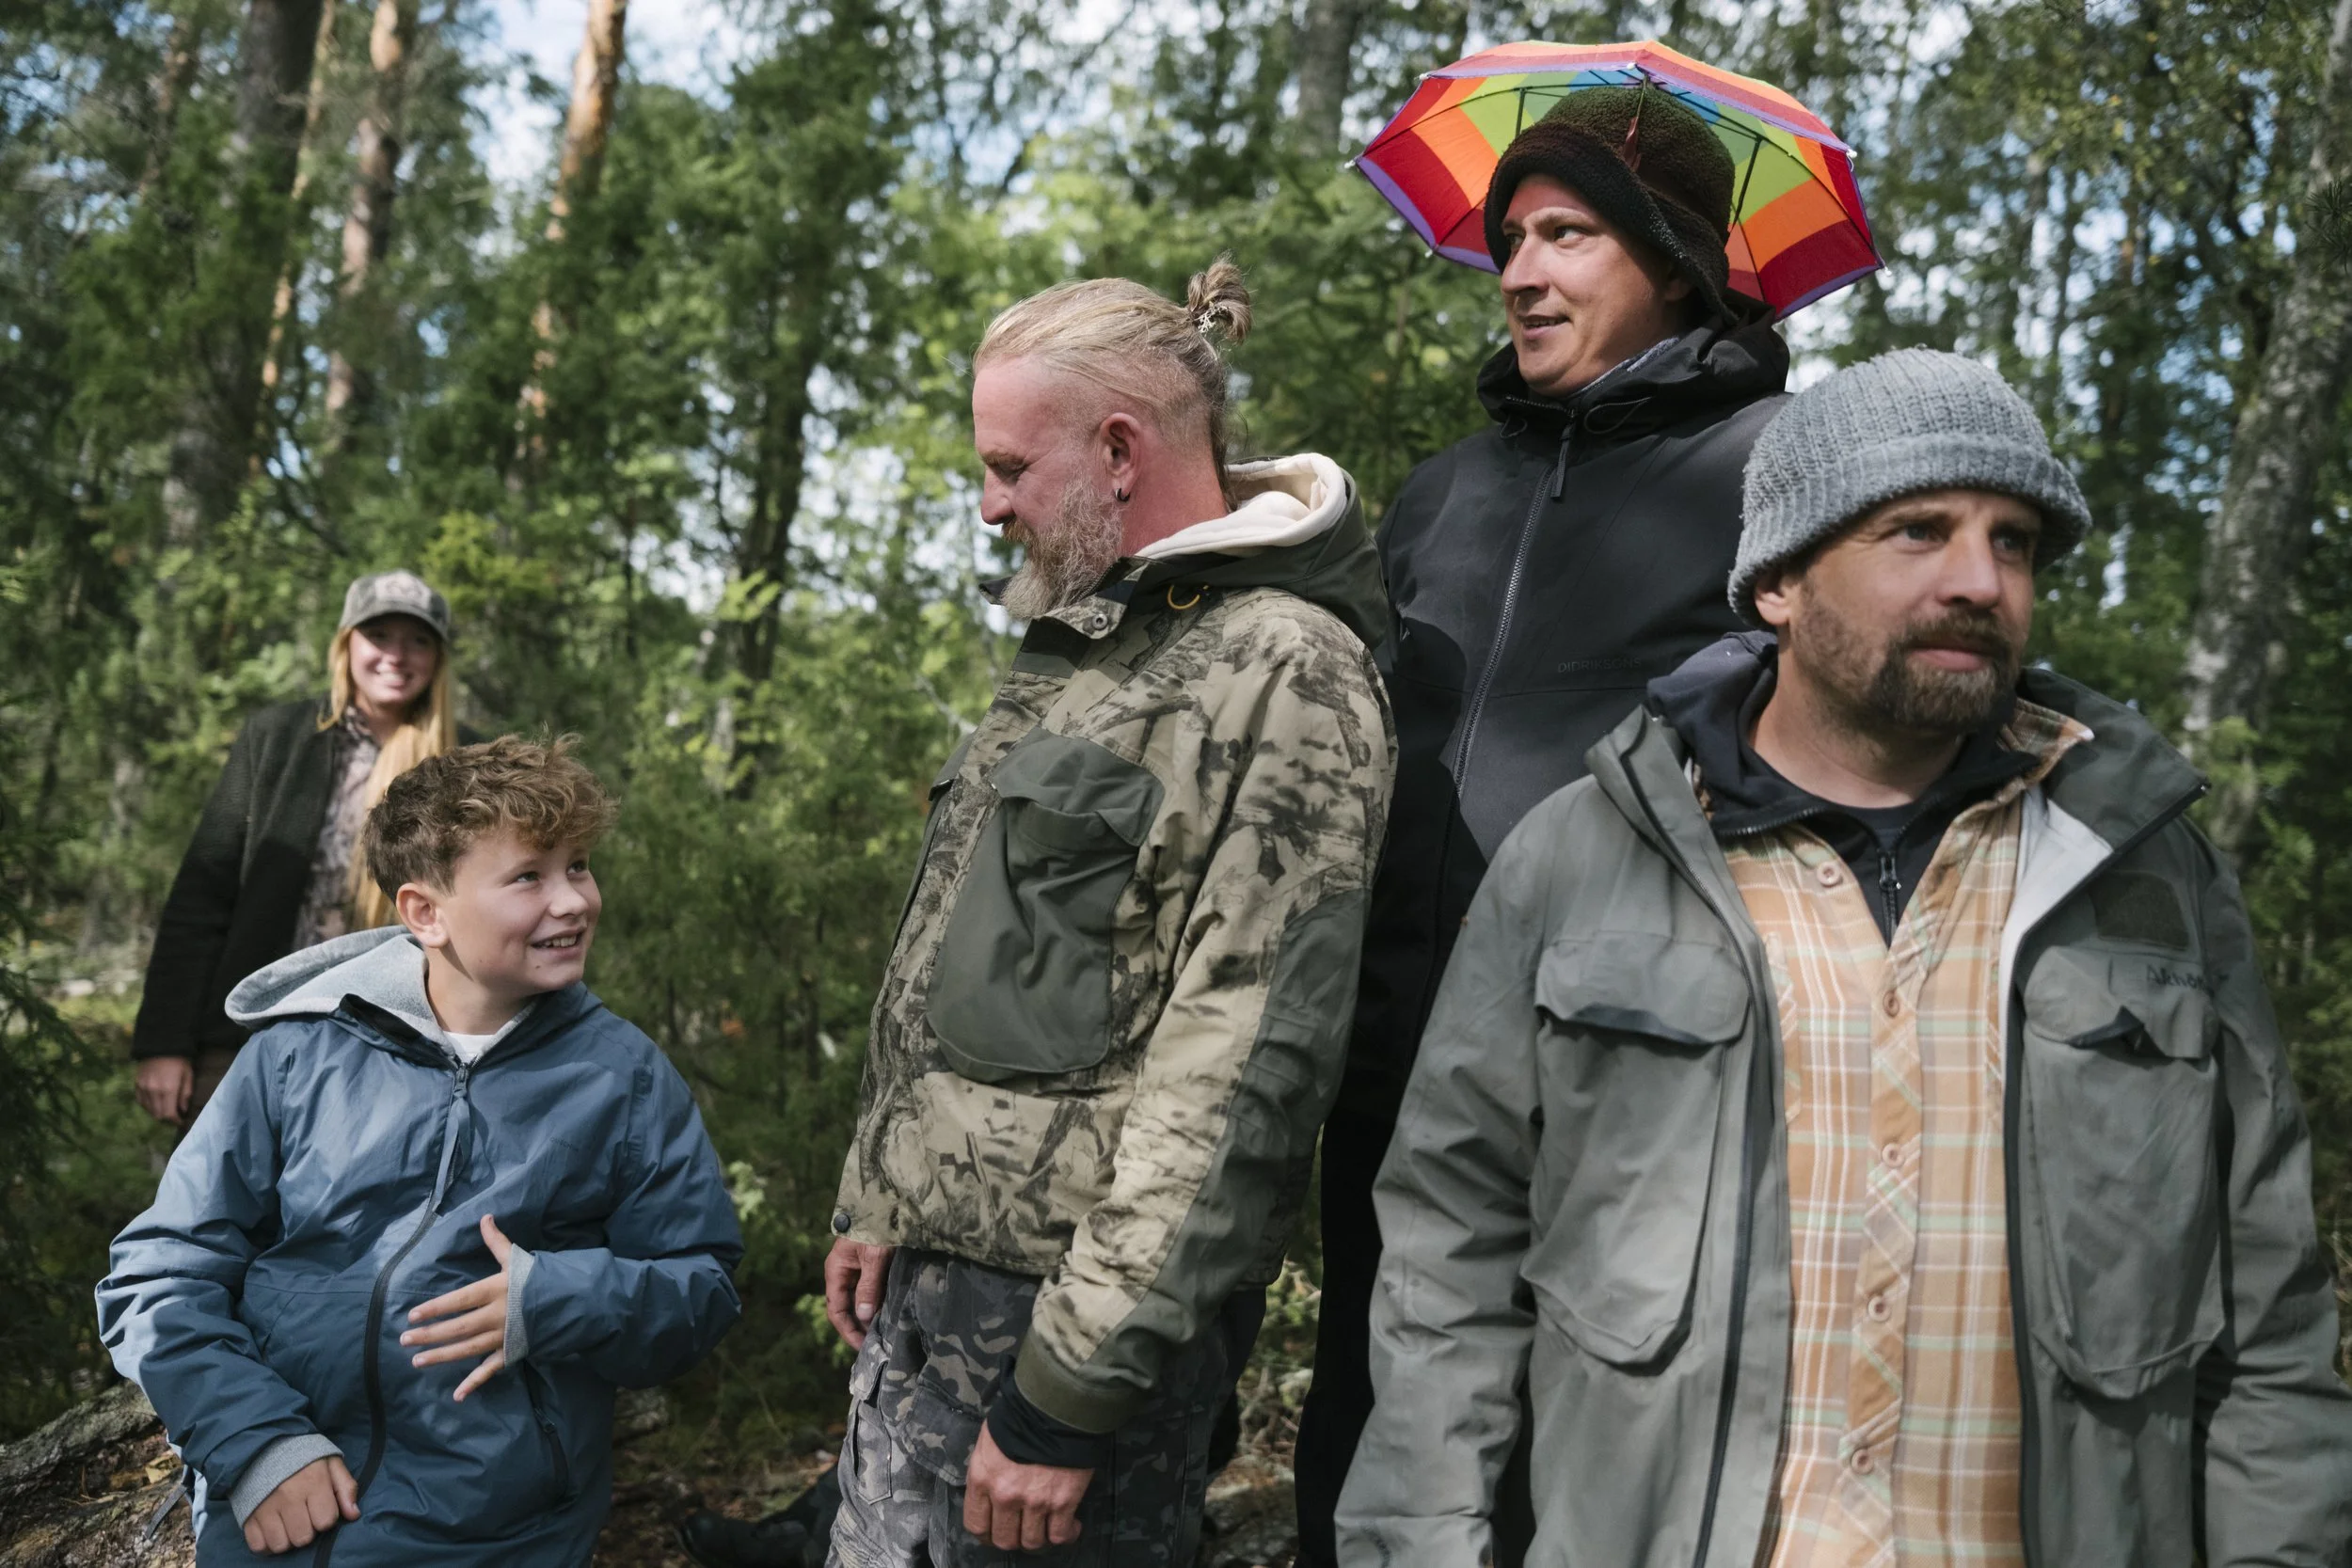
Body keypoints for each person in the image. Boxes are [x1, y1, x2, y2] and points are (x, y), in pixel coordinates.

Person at [1335, 350, 2352, 1565]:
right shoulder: (1588, 855)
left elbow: (2274, 1315)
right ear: (1776, 582)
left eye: (2014, 540)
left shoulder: (2145, 876)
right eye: (1919, 530)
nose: (1981, 579)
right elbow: (1449, 1250)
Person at [807, 259, 1391, 1568]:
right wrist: (883, 1193)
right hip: (940, 1298)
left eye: (1010, 466)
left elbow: (1241, 1068)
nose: (987, 505)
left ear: (1120, 449)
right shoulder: (1093, 646)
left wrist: (1069, 1389)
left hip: (1064, 1327)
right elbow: (998, 975)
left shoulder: (1281, 667)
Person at [1293, 86, 1792, 1564]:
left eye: (1569, 233)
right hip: (1398, 1055)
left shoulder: (1779, 472)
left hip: (1632, 1071)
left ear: (1678, 259)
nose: (1520, 272)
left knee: (1585, 1468)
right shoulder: (1445, 489)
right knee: (1375, 1425)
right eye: (1511, 236)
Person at [98, 736, 744, 1563]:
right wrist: (255, 1442)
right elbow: (161, 1267)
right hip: (280, 1514)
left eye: (578, 865)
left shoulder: (620, 1078)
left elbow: (704, 1282)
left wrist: (561, 1297)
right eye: (529, 876)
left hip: (498, 1532)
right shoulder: (300, 1055)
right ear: (424, 912)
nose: (574, 899)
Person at [132, 569, 465, 1128]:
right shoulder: (278, 739)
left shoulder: (465, 761)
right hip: (252, 1031)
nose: (397, 655)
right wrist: (165, 1041)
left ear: (438, 657)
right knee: (218, 1208)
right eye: (378, 634)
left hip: (403, 1045)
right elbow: (203, 893)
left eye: (418, 640)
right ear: (346, 644)